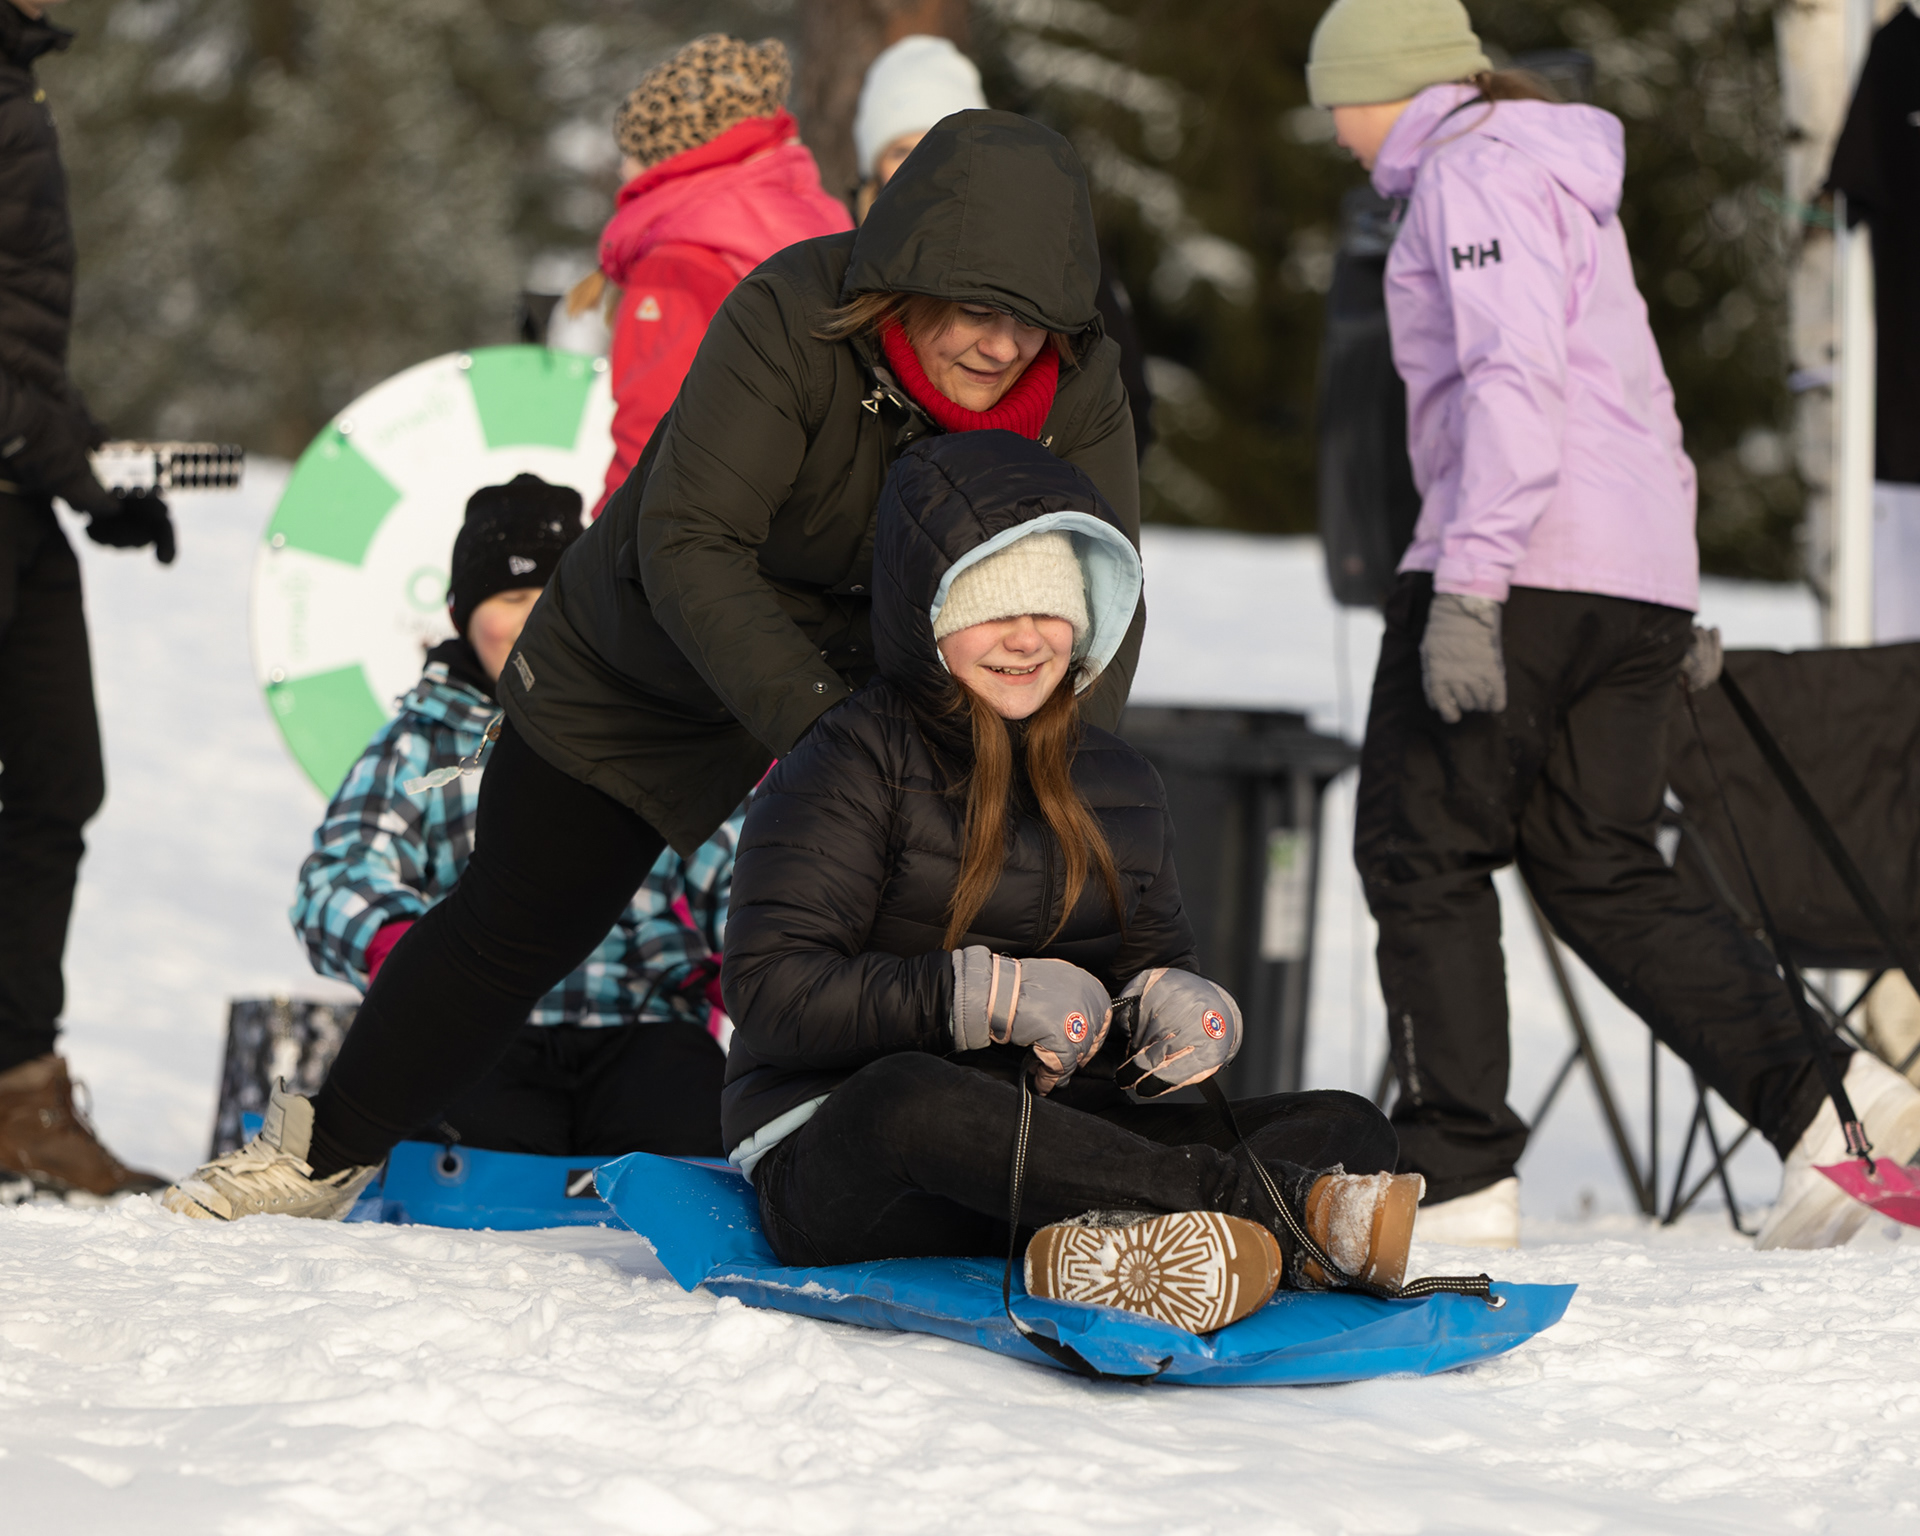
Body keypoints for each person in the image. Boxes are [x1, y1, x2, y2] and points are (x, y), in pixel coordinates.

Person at [159, 110, 1147, 1221]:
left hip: (895, 664)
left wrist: (1058, 770)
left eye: (1031, 320)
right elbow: (688, 543)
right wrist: (835, 737)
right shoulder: (791, 315)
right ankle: (316, 1155)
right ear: (906, 277)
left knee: (972, 911)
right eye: (977, 309)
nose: (1005, 346)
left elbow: (1096, 584)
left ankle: (997, 1182)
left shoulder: (1077, 384)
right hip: (646, 654)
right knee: (519, 920)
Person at [1306, 0, 1920, 1250]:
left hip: (1514, 562)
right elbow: (1641, 397)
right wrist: (1664, 590)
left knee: (1421, 850)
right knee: (1601, 863)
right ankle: (1829, 1100)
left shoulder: (1466, 175)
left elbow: (1514, 386)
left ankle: (1460, 1173)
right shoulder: (1558, 174)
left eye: (1336, 102)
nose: (1333, 134)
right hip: (1621, 579)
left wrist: (1471, 587)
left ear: (1383, 88)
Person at [724, 429, 1420, 1332]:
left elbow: (1153, 970)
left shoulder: (1120, 778)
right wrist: (987, 998)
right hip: (850, 1154)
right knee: (911, 1096)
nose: (1026, 639)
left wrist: (1177, 1014)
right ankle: (1276, 1215)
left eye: (1051, 610)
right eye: (989, 607)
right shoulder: (850, 759)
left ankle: (1111, 1243)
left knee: (1348, 1123)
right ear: (925, 613)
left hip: (1060, 1144)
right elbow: (773, 990)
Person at [164, 478, 736, 1219]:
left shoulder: (644, 730)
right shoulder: (426, 741)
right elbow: (340, 876)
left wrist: (744, 955)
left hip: (643, 1023)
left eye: (549, 600)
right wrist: (403, 950)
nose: (529, 622)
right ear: (462, 615)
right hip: (481, 1030)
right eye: (505, 600)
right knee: (476, 1134)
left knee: (690, 1128)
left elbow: (737, 859)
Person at [0, 0, 173, 1198]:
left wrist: (97, 469)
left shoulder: (16, 91)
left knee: (58, 780)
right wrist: (80, 479)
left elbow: (23, 345)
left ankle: (19, 1099)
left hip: (21, 483)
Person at [565, 34, 852, 517]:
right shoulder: (825, 226)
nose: (621, 167)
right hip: (819, 525)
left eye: (633, 147)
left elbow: (651, 439)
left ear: (672, 153)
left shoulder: (677, 265)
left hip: (708, 537)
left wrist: (604, 553)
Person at [851, 34, 1154, 460]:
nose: (920, 167)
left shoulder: (1044, 250)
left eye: (938, 147)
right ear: (872, 165)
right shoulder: (836, 255)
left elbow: (1122, 400)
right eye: (902, 150)